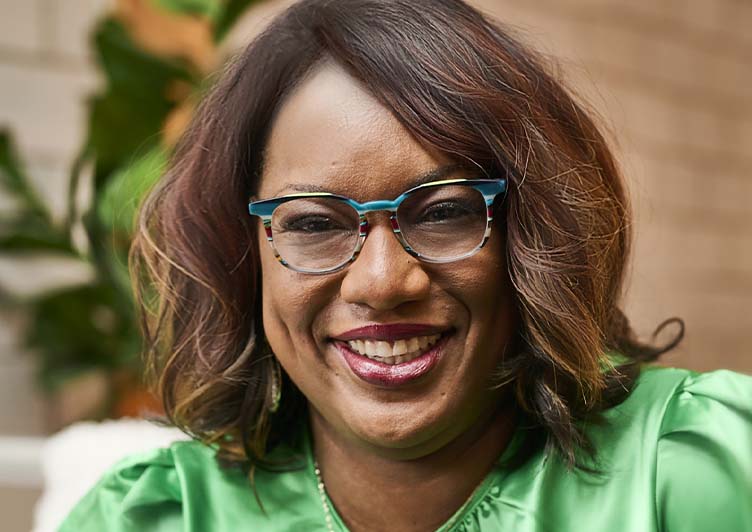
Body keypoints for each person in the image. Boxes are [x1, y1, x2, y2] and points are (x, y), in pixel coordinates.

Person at [60, 0, 752, 530]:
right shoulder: (154, 516)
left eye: (445, 211)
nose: (382, 282)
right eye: (312, 224)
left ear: (531, 234)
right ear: (243, 256)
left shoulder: (696, 470)